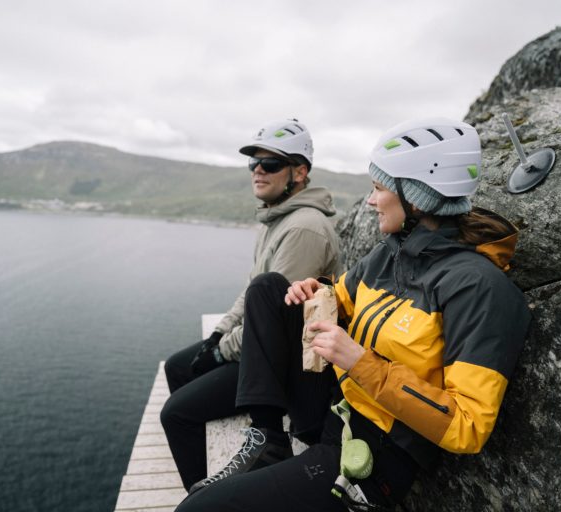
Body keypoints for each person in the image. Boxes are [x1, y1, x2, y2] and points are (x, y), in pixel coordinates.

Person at [175, 118, 532, 511]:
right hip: (334, 406)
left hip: (374, 455)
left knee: (197, 509)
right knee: (269, 288)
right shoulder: (392, 253)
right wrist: (316, 291)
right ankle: (267, 439)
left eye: (379, 188)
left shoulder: (478, 288)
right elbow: (341, 296)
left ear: (415, 197)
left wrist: (361, 363)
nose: (370, 200)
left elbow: (469, 425)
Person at [160, 119, 341, 491]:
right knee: (179, 367)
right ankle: (203, 481)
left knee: (176, 414)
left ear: (300, 172)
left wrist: (221, 353)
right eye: (254, 163)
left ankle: (208, 495)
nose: (258, 170)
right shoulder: (276, 220)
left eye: (271, 164)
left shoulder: (303, 228)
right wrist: (218, 335)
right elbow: (249, 294)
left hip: (284, 358)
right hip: (264, 342)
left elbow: (272, 318)